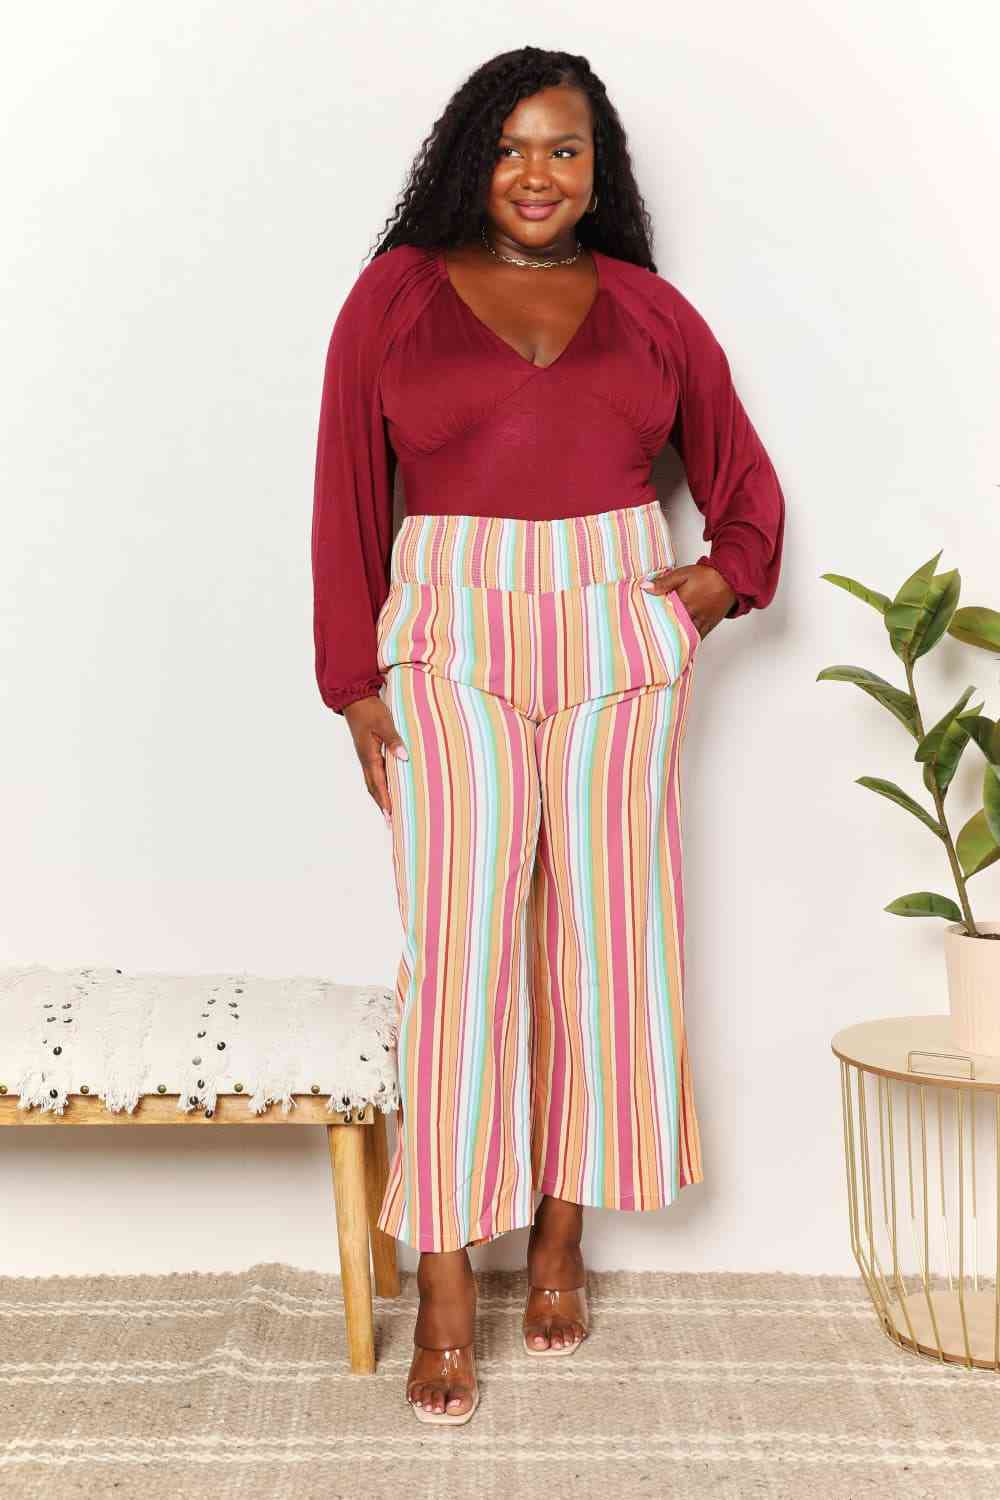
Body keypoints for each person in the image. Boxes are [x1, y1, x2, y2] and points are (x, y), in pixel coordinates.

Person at [311, 45, 785, 1426]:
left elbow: (746, 488)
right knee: (459, 950)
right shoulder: (396, 296)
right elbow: (345, 490)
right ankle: (447, 1282)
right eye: (513, 146)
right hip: (448, 633)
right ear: (474, 155)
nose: (537, 174)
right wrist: (353, 681)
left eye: (565, 150)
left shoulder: (649, 310)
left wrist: (716, 584)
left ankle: (563, 1236)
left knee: (606, 940)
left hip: (615, 635)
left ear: (597, 169)